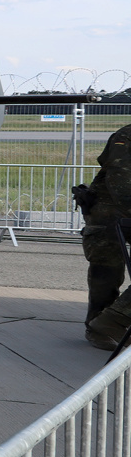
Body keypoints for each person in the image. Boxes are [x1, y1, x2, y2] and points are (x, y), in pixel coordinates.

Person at [82, 124, 131, 350]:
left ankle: (115, 321)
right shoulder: (127, 135)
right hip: (109, 211)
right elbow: (121, 184)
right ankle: (101, 325)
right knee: (106, 270)